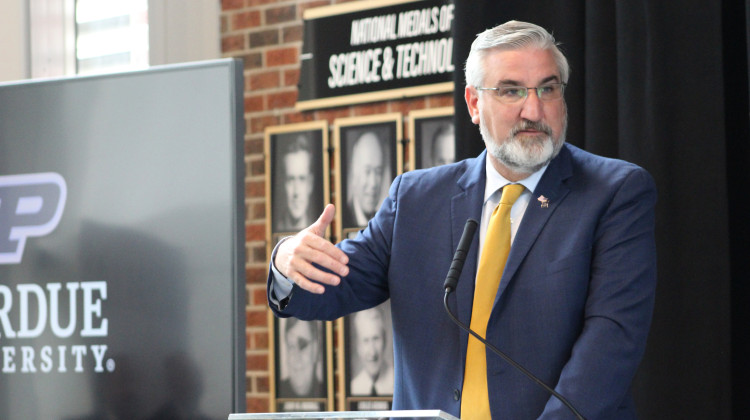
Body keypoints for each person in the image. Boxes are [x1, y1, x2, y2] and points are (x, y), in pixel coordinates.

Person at [268, 20, 656, 419]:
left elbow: (611, 343)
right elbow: (332, 286)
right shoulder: (416, 198)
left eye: (548, 88)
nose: (534, 109)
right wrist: (287, 262)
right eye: (511, 91)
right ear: (473, 104)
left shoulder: (614, 192)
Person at [343, 131, 386, 227]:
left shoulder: (383, 223)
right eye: (367, 171)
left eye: (378, 172)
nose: (373, 183)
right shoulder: (345, 216)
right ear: (354, 173)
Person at [349, 306, 394, 396]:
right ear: (358, 346)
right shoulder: (354, 387)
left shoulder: (398, 383)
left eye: (376, 339)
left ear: (385, 340)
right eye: (366, 341)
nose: (372, 352)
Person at [275, 135, 315, 231]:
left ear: (310, 184)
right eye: (290, 180)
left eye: (302, 179)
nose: (296, 192)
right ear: (283, 183)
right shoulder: (277, 228)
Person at [277, 318, 325, 398]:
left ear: (315, 349)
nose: (296, 357)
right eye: (291, 346)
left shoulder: (325, 392)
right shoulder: (278, 393)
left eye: (303, 345)